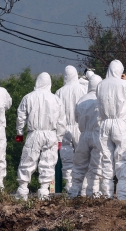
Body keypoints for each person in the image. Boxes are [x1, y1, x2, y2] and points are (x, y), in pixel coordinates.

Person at [15, 72, 66, 200]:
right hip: (51, 134)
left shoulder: (28, 97)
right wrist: (59, 138)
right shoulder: (56, 99)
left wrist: (19, 132)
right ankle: (44, 190)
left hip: (34, 133)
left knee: (28, 160)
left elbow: (21, 116)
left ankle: (22, 190)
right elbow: (61, 121)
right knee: (48, 162)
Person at [97, 60, 126, 200]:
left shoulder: (100, 85)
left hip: (105, 124)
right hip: (120, 123)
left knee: (107, 159)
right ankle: (122, 193)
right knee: (121, 158)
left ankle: (107, 193)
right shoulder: (123, 84)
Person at [68, 74, 103, 198]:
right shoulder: (101, 99)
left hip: (83, 135)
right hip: (97, 134)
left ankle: (74, 191)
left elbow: (76, 118)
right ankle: (93, 191)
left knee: (79, 164)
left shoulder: (81, 100)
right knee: (96, 164)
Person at [55, 65, 87, 191]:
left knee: (67, 160)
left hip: (64, 129)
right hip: (79, 128)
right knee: (83, 159)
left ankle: (69, 187)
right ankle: (83, 188)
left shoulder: (59, 91)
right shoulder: (83, 89)